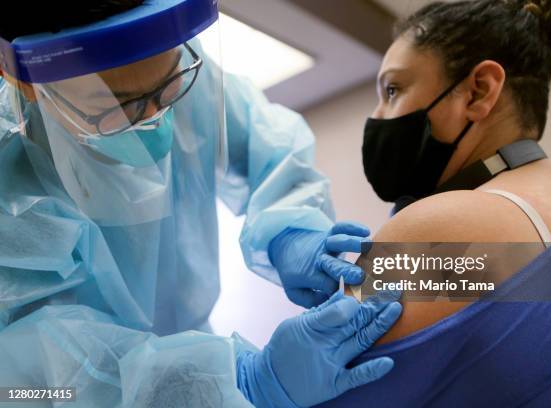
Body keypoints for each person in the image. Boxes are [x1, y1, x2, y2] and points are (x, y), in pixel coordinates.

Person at [0, 1, 404, 407]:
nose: (157, 116)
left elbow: (269, 149)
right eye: (122, 105)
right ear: (27, 84)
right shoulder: (9, 194)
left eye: (169, 88)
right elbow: (38, 379)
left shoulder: (168, 69)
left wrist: (291, 231)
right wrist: (236, 382)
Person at [317, 0, 551, 407]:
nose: (378, 115)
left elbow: (310, 393)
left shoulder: (432, 232)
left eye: (393, 89)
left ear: (479, 91)